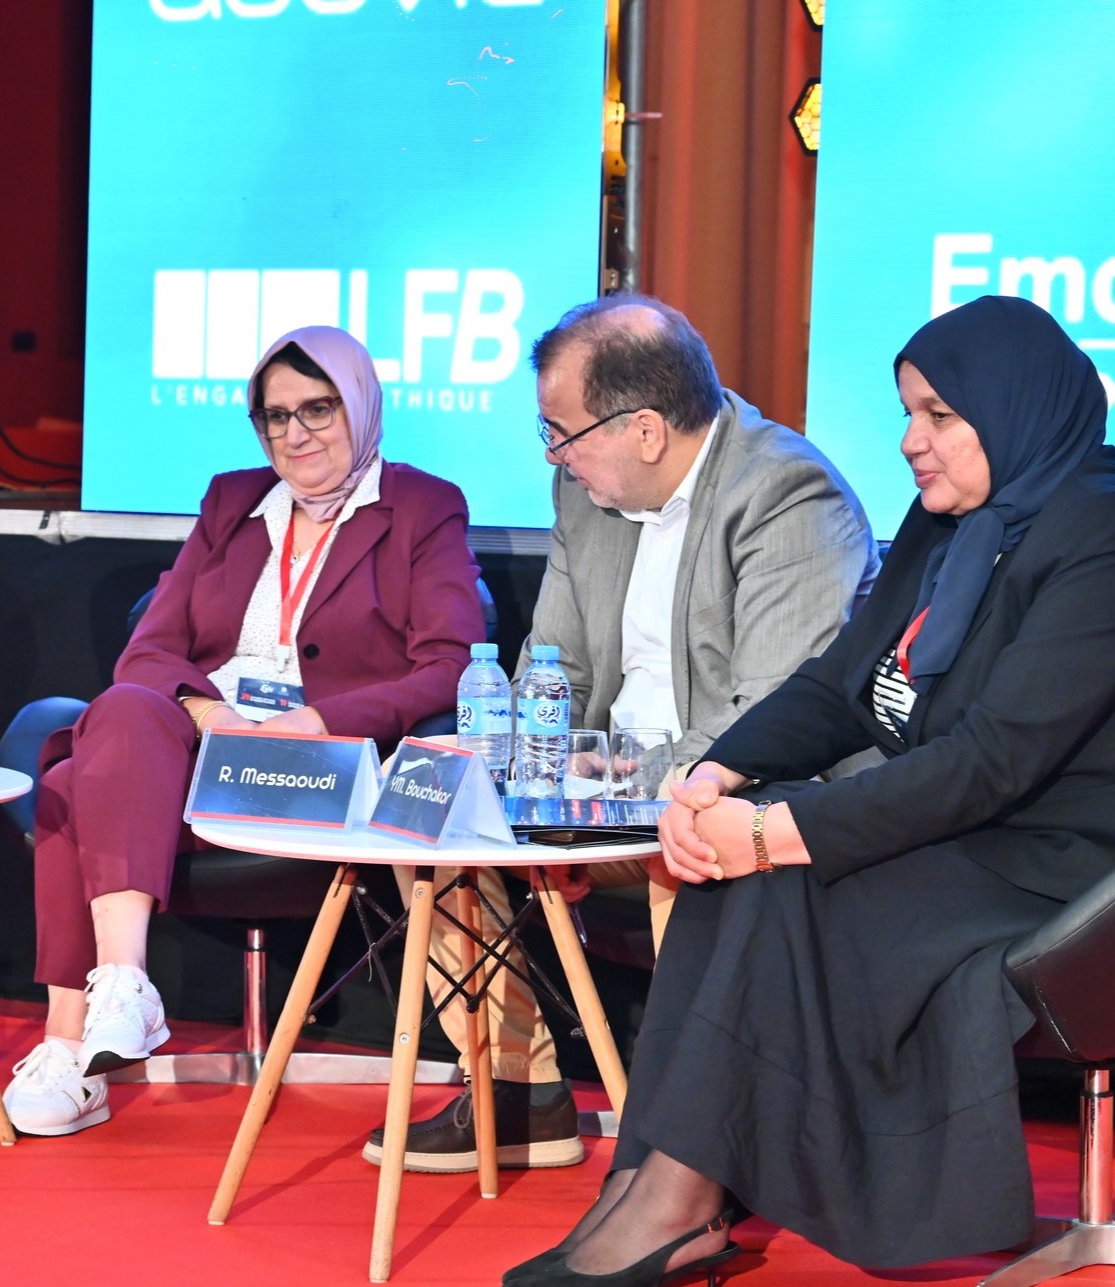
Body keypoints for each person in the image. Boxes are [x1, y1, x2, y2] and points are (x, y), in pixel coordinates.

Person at [503, 294, 1115, 1285]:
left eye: (938, 414)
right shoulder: (953, 525)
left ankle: (680, 1199)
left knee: (788, 883)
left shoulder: (1113, 537)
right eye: (906, 413)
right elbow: (836, 683)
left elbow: (991, 759)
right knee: (740, 883)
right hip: (990, 833)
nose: (908, 441)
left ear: (1012, 407)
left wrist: (770, 832)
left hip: (1099, 869)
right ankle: (661, 1181)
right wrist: (713, 775)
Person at [371, 295, 879, 1174]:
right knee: (438, 816)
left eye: (560, 432)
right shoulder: (584, 492)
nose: (552, 455)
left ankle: (691, 1146)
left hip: (740, 794)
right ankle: (518, 1088)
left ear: (644, 430)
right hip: (603, 792)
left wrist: (601, 788)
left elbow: (768, 719)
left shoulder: (786, 495)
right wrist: (508, 771)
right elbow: (554, 672)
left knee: (692, 831)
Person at [1, 324, 485, 1137]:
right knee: (126, 705)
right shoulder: (233, 501)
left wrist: (319, 719)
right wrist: (208, 714)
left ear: (360, 404)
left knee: (68, 784)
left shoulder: (421, 507)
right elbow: (148, 650)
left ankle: (69, 1041)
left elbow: (448, 665)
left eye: (317, 409)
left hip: (317, 761)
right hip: (203, 747)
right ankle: (121, 985)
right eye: (274, 416)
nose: (295, 434)